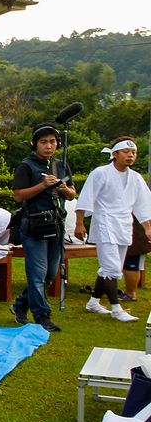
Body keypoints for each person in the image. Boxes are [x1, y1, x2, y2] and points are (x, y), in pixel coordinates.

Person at [74, 137, 151, 322]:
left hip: (124, 225)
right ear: (114, 154)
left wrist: (147, 228)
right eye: (126, 152)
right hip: (104, 223)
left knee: (109, 268)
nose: (130, 155)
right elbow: (86, 197)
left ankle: (93, 302)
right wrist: (79, 222)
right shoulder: (100, 173)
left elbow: (143, 205)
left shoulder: (136, 178)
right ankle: (116, 308)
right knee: (111, 267)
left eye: (133, 153)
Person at [11, 124, 77, 332]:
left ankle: (20, 304)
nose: (48, 146)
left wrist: (65, 189)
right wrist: (42, 186)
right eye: (44, 142)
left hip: (56, 223)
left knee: (49, 274)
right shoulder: (26, 166)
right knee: (37, 273)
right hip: (34, 225)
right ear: (35, 144)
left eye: (52, 142)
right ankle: (42, 316)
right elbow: (18, 195)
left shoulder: (61, 165)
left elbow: (73, 193)